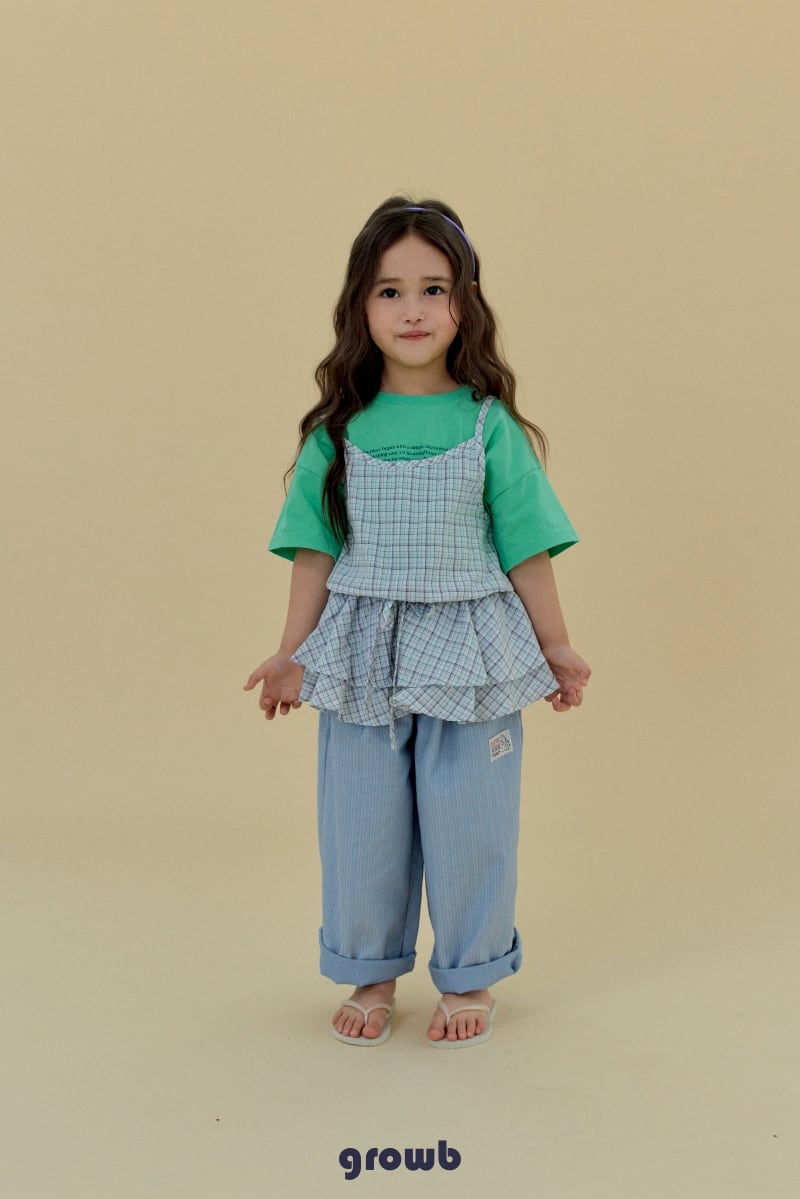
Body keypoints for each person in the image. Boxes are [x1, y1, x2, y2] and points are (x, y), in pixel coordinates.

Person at [244, 197, 590, 1048]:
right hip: (361, 654)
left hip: (472, 653)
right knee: (361, 821)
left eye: (434, 289)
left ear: (465, 303)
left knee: (472, 817)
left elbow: (526, 547)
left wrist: (555, 645)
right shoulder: (336, 432)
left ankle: (471, 972)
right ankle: (370, 967)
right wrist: (290, 652)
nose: (412, 310)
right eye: (389, 291)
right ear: (360, 307)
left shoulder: (489, 425)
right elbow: (315, 552)